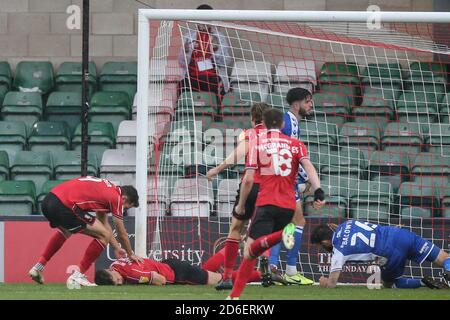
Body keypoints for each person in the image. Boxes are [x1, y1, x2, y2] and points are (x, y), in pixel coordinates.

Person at [226, 108, 324, 299]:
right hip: (289, 205)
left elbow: (248, 179)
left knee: (249, 251)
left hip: (267, 202)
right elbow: (309, 166)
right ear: (283, 124)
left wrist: (241, 205)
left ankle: (234, 297)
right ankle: (281, 233)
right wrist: (318, 190)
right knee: (263, 245)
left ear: (263, 121)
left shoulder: (258, 143)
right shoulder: (296, 145)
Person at [28, 176, 143, 287]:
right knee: (104, 235)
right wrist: (130, 254)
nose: (124, 210)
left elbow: (104, 224)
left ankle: (38, 267)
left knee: (66, 231)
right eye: (126, 207)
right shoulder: (116, 198)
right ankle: (78, 275)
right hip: (65, 206)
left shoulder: (107, 189)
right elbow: (121, 232)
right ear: (125, 199)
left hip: (49, 201)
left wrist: (116, 248)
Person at [205, 102, 271, 290]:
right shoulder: (279, 138)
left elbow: (237, 155)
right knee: (264, 229)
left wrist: (216, 170)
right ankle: (264, 260)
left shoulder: (250, 134)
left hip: (251, 186)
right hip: (271, 188)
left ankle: (226, 276)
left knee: (236, 228)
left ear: (253, 118)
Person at [268, 87, 325, 285]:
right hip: (284, 180)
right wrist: (306, 179)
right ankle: (290, 270)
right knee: (298, 222)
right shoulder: (290, 122)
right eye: (308, 101)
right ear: (296, 103)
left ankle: (273, 268)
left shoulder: (287, 121)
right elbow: (291, 155)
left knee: (283, 224)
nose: (311, 105)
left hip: (277, 180)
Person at [310, 220, 450, 289]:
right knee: (444, 258)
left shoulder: (338, 251)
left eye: (322, 245)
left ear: (325, 241)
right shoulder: (347, 223)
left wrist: (325, 283)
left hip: (387, 252)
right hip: (398, 234)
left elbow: (332, 283)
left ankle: (421, 282)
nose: (324, 248)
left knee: (390, 284)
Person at [94, 248, 269, 286]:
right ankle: (230, 248)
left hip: (176, 274)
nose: (120, 282)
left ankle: (260, 274)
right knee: (205, 270)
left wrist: (144, 282)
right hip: (169, 264)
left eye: (117, 280)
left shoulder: (131, 275)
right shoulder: (115, 264)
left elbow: (160, 281)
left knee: (222, 280)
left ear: (111, 272)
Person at [178, 4, 232, 100]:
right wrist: (186, 50)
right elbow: (181, 63)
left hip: (213, 78)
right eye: (200, 20)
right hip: (193, 78)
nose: (202, 23)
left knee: (214, 96)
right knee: (183, 87)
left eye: (206, 20)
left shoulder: (219, 37)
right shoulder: (189, 37)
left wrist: (215, 50)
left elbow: (226, 62)